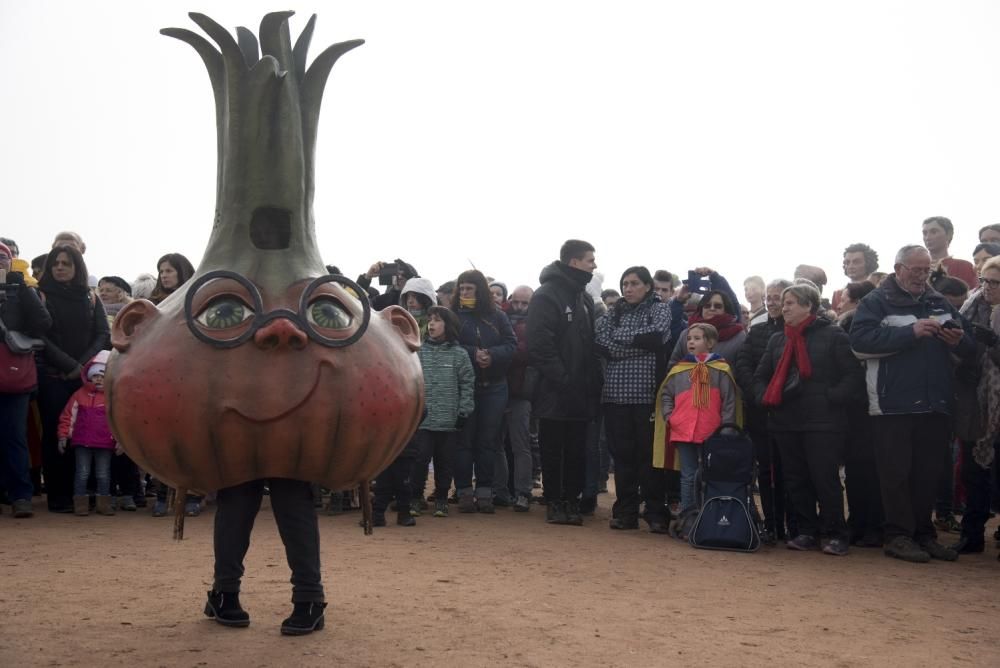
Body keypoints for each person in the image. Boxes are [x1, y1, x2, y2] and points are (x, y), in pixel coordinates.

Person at [850, 244, 977, 563]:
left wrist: (959, 342)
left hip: (935, 403)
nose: (922, 276)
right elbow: (859, 343)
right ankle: (898, 535)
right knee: (896, 473)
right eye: (916, 270)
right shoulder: (876, 301)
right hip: (892, 404)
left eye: (926, 271)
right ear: (898, 269)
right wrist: (911, 332)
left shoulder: (938, 301)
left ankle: (924, 533)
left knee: (928, 473)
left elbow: (971, 344)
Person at [754, 283, 863, 556]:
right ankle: (806, 531)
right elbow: (760, 376)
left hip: (823, 422)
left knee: (824, 478)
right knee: (796, 479)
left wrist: (830, 397)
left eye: (791, 302)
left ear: (808, 306)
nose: (785, 307)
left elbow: (852, 376)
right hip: (785, 420)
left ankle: (836, 533)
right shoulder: (777, 339)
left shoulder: (834, 335)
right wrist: (766, 398)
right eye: (784, 302)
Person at [527, 240, 602, 525]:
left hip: (582, 390)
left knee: (577, 450)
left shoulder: (583, 297)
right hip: (554, 390)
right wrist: (564, 379)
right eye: (589, 260)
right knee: (553, 449)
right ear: (574, 262)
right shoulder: (546, 295)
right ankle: (555, 502)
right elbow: (539, 344)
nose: (594, 265)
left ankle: (572, 499)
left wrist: (589, 382)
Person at [595, 266, 672, 533]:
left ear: (648, 286)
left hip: (647, 395)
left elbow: (657, 337)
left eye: (634, 283)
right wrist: (636, 344)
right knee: (623, 456)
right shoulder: (613, 311)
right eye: (625, 283)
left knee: (649, 456)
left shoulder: (659, 308)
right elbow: (601, 344)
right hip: (615, 396)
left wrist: (620, 343)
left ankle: (654, 512)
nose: (628, 288)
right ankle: (626, 511)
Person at [36, 245, 110, 513]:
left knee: (84, 436)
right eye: (55, 263)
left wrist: (82, 367)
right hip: (53, 377)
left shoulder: (90, 298)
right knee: (56, 434)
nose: (59, 267)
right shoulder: (40, 296)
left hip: (84, 379)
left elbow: (103, 334)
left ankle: (83, 494)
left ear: (77, 267)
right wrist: (70, 365)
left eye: (66, 263)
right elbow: (39, 336)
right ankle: (58, 496)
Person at [658, 324, 738, 524]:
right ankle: (688, 518)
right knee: (687, 474)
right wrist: (670, 417)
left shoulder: (721, 368)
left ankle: (708, 516)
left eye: (697, 338)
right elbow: (666, 395)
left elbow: (729, 401)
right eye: (689, 339)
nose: (691, 342)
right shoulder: (679, 369)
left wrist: (726, 429)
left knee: (708, 475)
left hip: (711, 431)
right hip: (683, 429)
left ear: (710, 343)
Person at [451, 269, 517, 514]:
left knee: (487, 442)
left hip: (495, 386)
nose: (465, 292)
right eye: (462, 287)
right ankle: (464, 491)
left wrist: (492, 355)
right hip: (465, 387)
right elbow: (448, 343)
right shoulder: (454, 316)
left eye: (470, 288)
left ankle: (486, 491)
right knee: (464, 441)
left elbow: (511, 345)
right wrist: (472, 353)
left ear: (480, 291)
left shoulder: (497, 316)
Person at [735, 278, 793, 542]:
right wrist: (759, 394)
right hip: (761, 411)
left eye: (777, 297)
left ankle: (796, 525)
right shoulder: (757, 332)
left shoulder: (800, 332)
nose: (771, 302)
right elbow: (744, 365)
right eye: (768, 297)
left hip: (792, 411)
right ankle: (771, 525)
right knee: (766, 469)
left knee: (791, 470)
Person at [950, 256, 1000, 559]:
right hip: (974, 400)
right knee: (972, 470)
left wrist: (994, 342)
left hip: (996, 401)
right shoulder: (970, 308)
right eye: (983, 280)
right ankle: (972, 534)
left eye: (994, 282)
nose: (987, 287)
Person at [0, 241, 52, 518]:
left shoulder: (20, 289)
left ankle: (21, 495)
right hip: (13, 373)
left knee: (14, 436)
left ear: (11, 262)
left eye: (2, 258)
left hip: (13, 375)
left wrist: (20, 289)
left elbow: (44, 323)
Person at [409, 306, 475, 518]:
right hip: (424, 420)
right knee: (420, 459)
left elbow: (467, 383)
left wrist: (464, 411)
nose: (432, 324)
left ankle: (441, 499)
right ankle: (416, 497)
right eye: (430, 319)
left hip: (449, 420)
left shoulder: (459, 354)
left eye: (437, 320)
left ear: (448, 325)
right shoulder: (418, 351)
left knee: (445, 462)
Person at [57, 352, 118, 516]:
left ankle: (103, 504)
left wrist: (120, 441)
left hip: (105, 443)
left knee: (103, 474)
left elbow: (118, 421)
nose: (98, 379)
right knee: (82, 473)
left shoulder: (112, 398)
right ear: (90, 377)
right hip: (81, 443)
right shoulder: (78, 395)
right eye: (95, 375)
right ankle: (80, 504)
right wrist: (63, 436)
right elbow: (68, 417)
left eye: (102, 376)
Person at [497, 285, 535, 512]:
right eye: (516, 302)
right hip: (498, 388)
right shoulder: (500, 319)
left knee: (521, 445)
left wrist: (502, 350)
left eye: (525, 303)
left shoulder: (534, 324)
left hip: (521, 392)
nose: (519, 307)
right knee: (495, 444)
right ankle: (500, 490)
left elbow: (525, 352)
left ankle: (523, 492)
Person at [668, 287, 746, 368]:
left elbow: (742, 369)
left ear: (725, 309)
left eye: (717, 306)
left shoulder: (738, 336)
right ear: (701, 309)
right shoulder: (686, 334)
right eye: (707, 306)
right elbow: (673, 365)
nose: (712, 308)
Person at [922, 216, 978, 289]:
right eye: (925, 233)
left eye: (934, 232)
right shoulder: (916, 266)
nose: (927, 237)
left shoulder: (964, 266)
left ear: (948, 234)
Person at [832, 243, 879, 313]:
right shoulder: (838, 294)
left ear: (869, 263)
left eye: (856, 262)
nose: (850, 266)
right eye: (847, 262)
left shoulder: (879, 291)